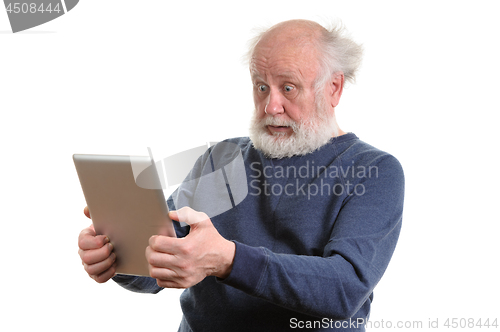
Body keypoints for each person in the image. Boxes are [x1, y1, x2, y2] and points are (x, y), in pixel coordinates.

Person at [78, 19, 405, 331]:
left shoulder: (373, 171)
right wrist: (117, 255)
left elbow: (344, 288)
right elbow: (160, 265)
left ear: (334, 88)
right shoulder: (223, 159)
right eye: (262, 87)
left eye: (288, 88)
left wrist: (228, 260)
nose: (270, 106)